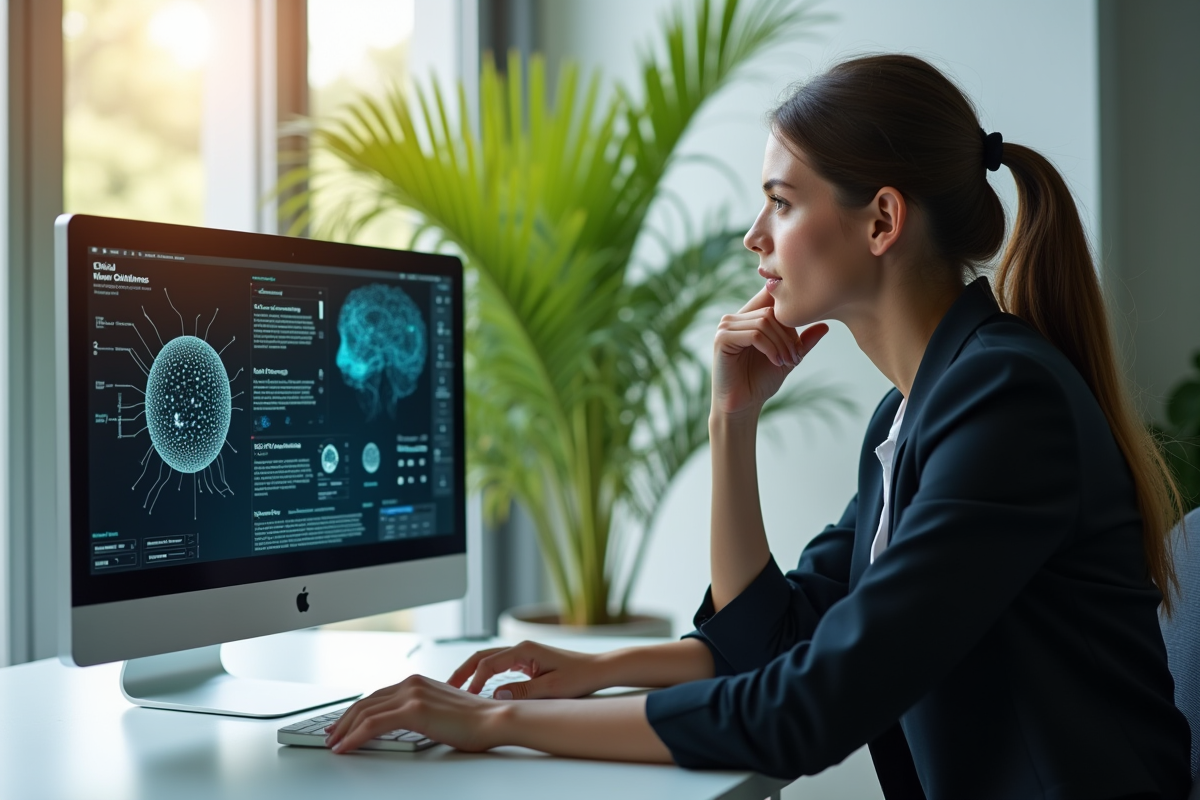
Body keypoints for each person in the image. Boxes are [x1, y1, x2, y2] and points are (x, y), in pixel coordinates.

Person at [323, 54, 1193, 800]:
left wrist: (503, 719)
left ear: (883, 220)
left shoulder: (1004, 402)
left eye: (781, 201)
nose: (754, 237)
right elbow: (774, 637)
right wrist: (730, 422)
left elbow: (808, 707)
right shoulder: (914, 412)